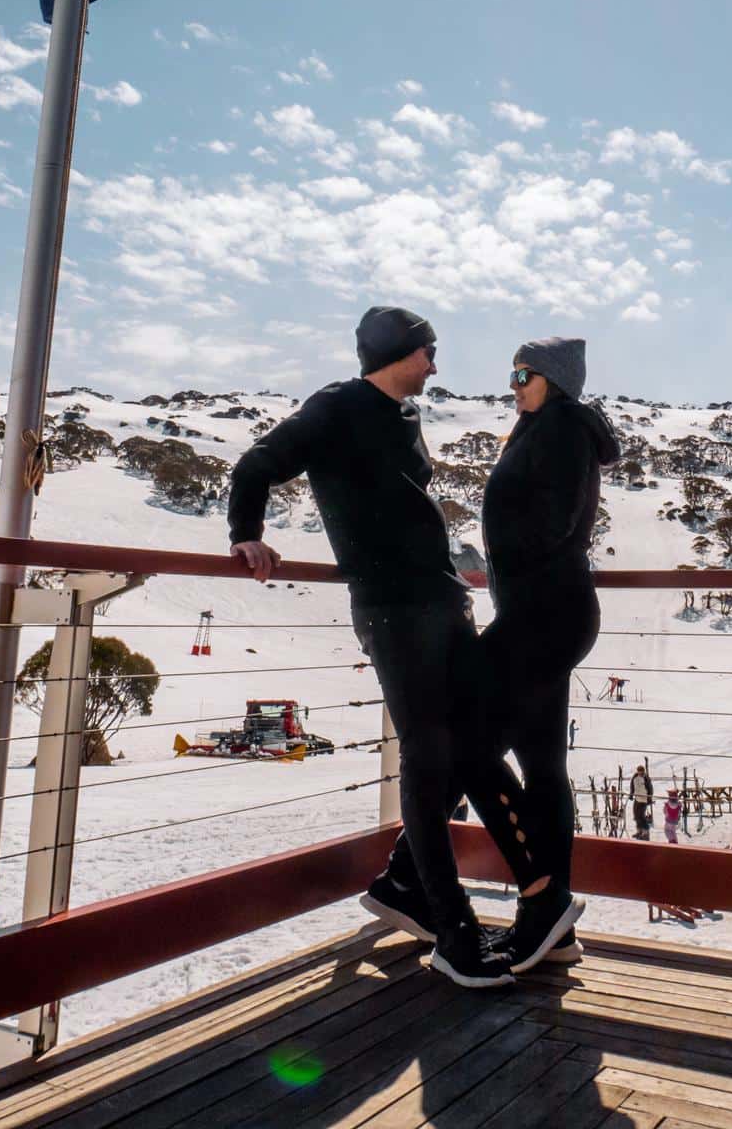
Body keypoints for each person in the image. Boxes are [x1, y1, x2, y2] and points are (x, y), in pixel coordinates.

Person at [227, 305, 520, 989]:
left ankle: (401, 885)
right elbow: (257, 464)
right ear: (399, 352)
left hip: (445, 599)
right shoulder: (336, 407)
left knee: (475, 739)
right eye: (428, 354)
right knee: (429, 756)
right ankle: (454, 932)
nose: (436, 367)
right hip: (391, 607)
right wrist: (246, 532)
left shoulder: (406, 417)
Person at [476, 335, 621, 970]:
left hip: (544, 614)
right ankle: (550, 927)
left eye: (524, 373)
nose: (513, 384)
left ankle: (544, 901)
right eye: (510, 373)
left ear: (554, 379)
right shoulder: (544, 425)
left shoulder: (561, 425)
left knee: (463, 742)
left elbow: (553, 521)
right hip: (542, 611)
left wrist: (493, 558)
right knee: (541, 766)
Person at [631, 765, 654, 840]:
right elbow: (632, 786)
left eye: (641, 771)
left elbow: (650, 788)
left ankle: (645, 832)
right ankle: (639, 831)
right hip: (637, 798)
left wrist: (649, 798)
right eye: (639, 771)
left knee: (641, 816)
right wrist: (631, 794)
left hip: (644, 799)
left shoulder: (646, 778)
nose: (640, 773)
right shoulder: (635, 777)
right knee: (636, 815)